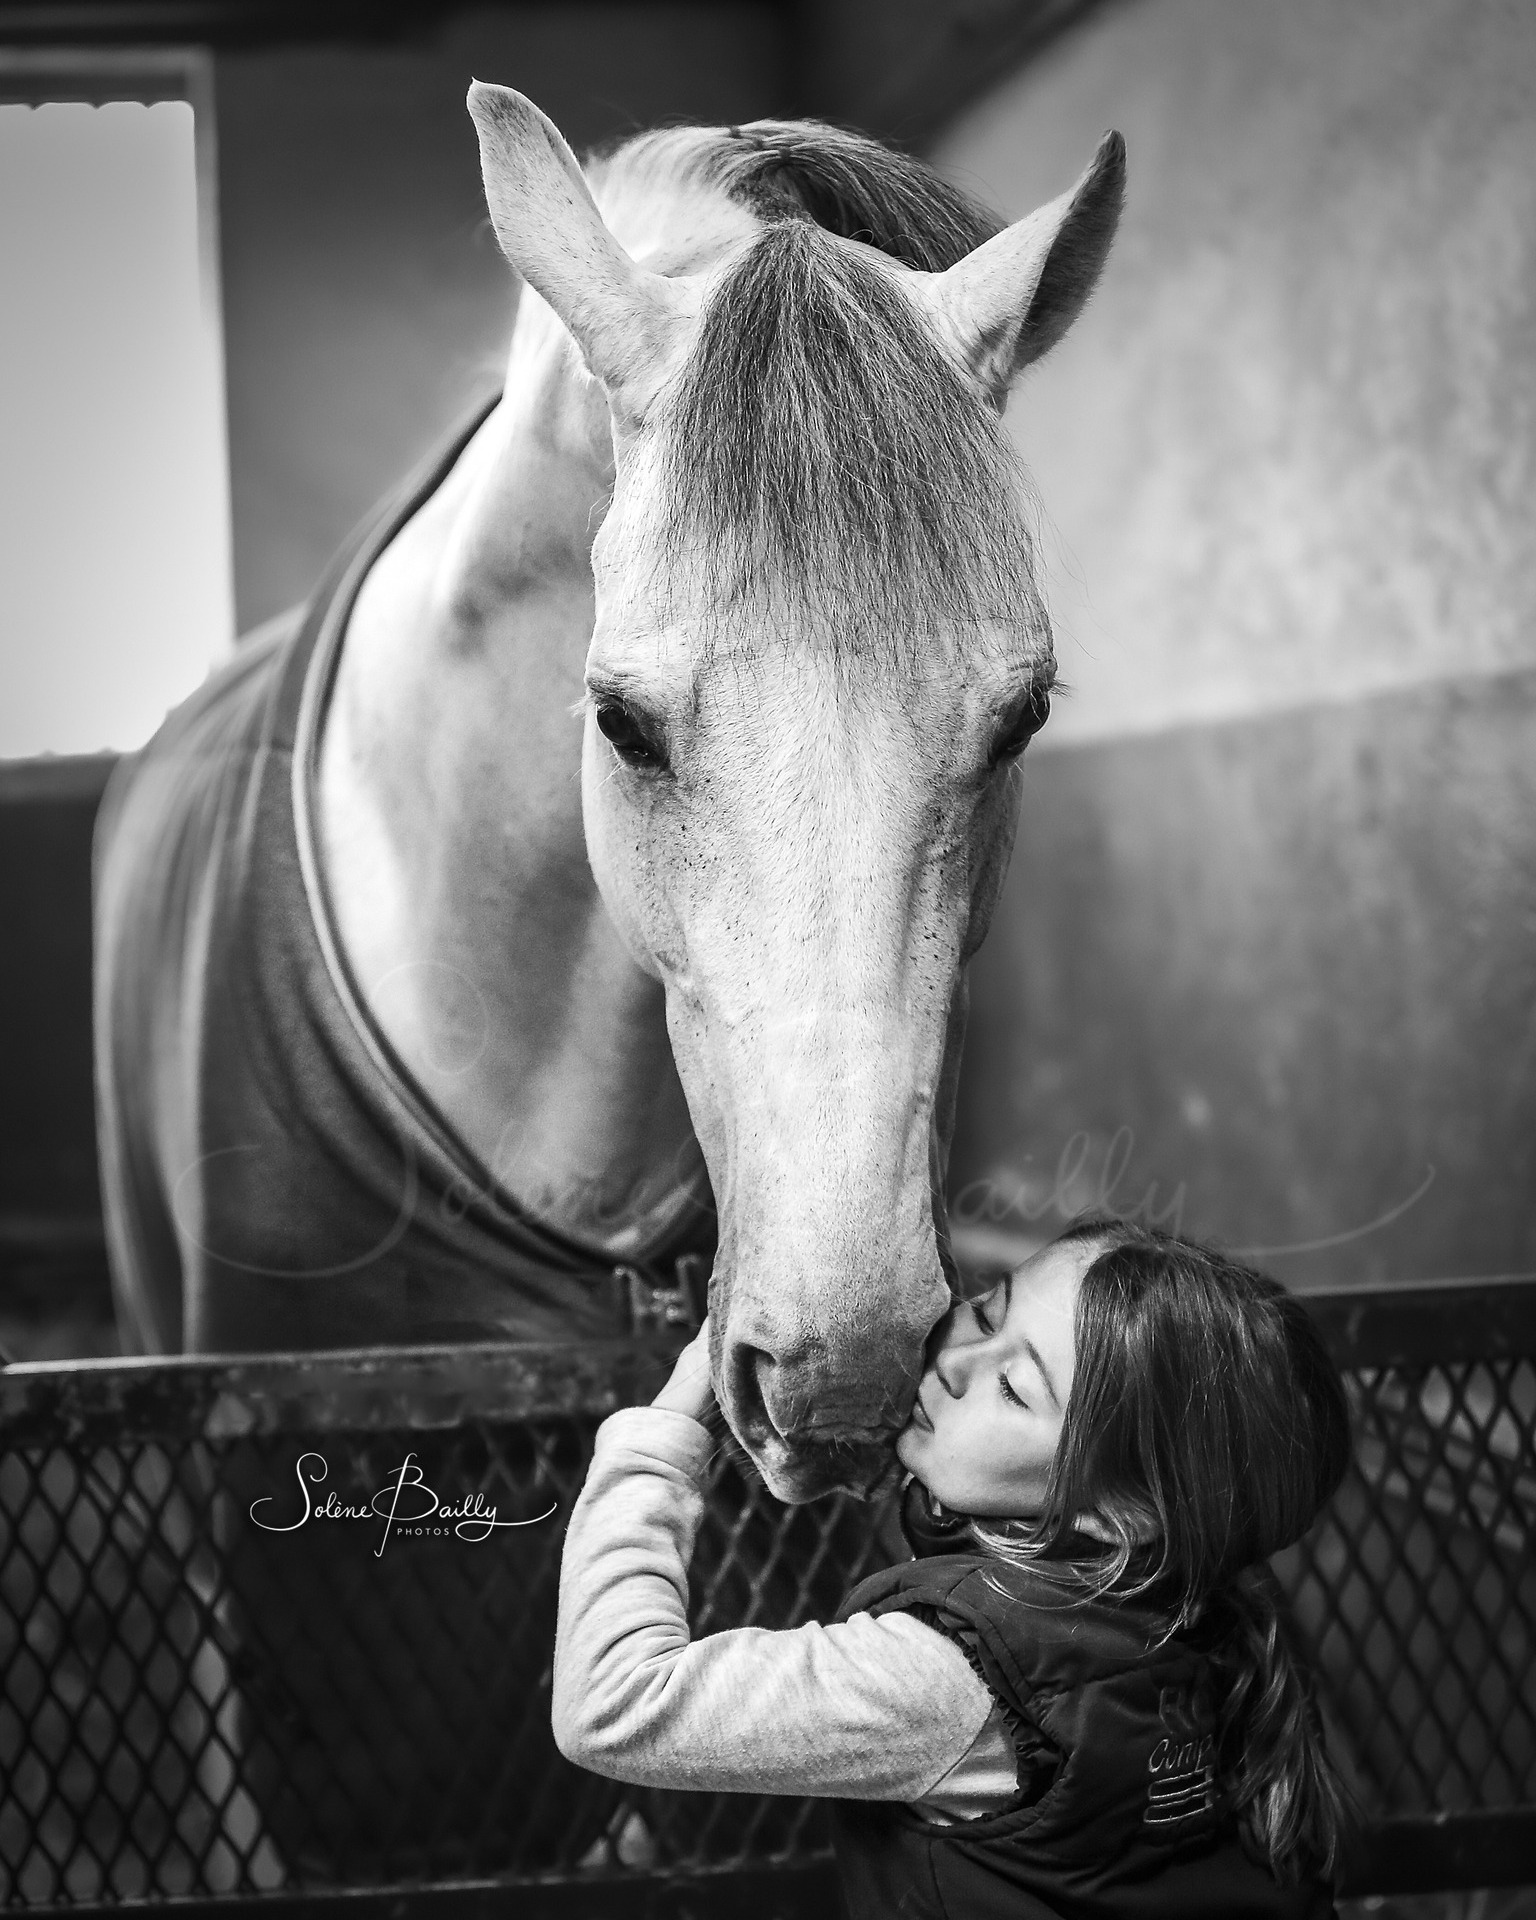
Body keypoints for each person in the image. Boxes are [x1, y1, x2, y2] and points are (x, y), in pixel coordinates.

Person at [552, 1217, 1355, 1917]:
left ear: (1115, 1516)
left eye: (1012, 1387)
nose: (958, 1359)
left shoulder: (949, 1685)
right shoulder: (1206, 1613)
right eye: (986, 1308)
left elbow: (613, 1703)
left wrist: (664, 1434)